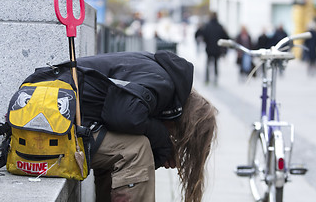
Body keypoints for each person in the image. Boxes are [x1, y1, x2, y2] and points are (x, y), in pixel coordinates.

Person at [76, 51, 217, 202]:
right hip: (57, 119)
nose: (172, 137)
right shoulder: (163, 83)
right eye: (175, 136)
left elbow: (118, 117)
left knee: (125, 145)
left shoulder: (157, 73)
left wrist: (158, 152)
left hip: (67, 114)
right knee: (137, 150)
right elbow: (124, 117)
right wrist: (162, 140)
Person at [197, 12, 229, 84]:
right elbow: (226, 37)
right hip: (217, 49)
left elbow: (203, 35)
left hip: (209, 48)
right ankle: (215, 79)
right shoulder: (220, 26)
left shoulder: (207, 26)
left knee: (208, 64)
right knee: (216, 64)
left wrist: (206, 42)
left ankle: (207, 79)